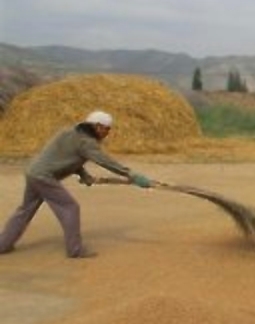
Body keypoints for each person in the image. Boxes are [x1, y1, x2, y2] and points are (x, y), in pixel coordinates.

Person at [0, 111, 152, 259]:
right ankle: (75, 250)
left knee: (25, 209)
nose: (107, 133)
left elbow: (68, 157)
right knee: (69, 208)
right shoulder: (87, 142)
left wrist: (83, 175)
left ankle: (3, 244)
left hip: (33, 172)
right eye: (107, 129)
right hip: (44, 177)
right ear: (98, 126)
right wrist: (131, 174)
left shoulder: (68, 132)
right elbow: (104, 161)